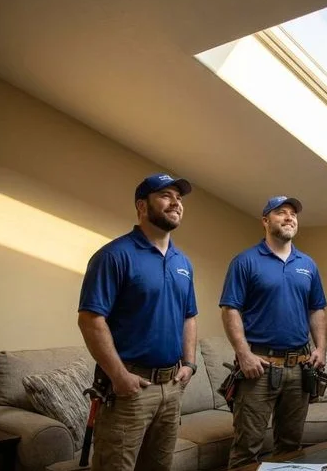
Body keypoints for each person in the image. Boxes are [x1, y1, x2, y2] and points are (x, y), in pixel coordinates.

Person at [77, 173, 199, 471]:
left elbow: (189, 316)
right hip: (130, 389)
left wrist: (190, 364)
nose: (176, 203)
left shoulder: (183, 262)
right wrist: (119, 376)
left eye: (179, 198)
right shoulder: (114, 255)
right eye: (166, 196)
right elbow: (90, 320)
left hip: (171, 387)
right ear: (142, 206)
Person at [220, 196, 327, 468]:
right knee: (247, 448)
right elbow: (230, 309)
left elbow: (317, 309)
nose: (289, 217)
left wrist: (321, 348)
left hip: (299, 367)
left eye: (293, 213)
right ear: (266, 221)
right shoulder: (245, 261)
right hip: (259, 367)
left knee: (291, 447)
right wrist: (243, 354)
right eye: (281, 212)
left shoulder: (308, 264)